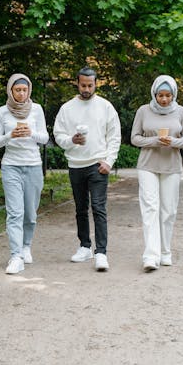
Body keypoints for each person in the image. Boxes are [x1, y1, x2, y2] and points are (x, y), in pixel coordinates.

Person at [53, 67, 121, 272]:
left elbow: (114, 136)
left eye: (90, 85)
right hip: (75, 165)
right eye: (83, 85)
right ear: (77, 83)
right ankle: (84, 246)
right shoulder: (67, 108)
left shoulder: (106, 107)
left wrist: (109, 161)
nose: (86, 89)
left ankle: (101, 252)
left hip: (97, 165)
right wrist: (71, 140)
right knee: (80, 209)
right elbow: (58, 135)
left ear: (96, 84)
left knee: (99, 208)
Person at [130, 75, 183, 272]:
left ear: (174, 94)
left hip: (172, 166)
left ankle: (165, 252)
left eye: (168, 95)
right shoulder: (143, 111)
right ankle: (150, 255)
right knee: (150, 209)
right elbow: (135, 138)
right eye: (160, 95)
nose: (164, 99)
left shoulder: (181, 112)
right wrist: (155, 141)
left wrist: (173, 142)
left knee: (169, 210)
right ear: (154, 93)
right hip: (147, 165)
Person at [0, 74, 49, 275]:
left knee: (30, 214)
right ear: (10, 91)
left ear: (29, 91)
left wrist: (30, 133)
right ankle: (15, 256)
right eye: (18, 90)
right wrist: (10, 135)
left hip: (33, 165)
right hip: (11, 166)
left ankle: (26, 246)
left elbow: (45, 138)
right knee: (15, 213)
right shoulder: (2, 112)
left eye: (24, 90)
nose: (21, 93)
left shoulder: (37, 109)